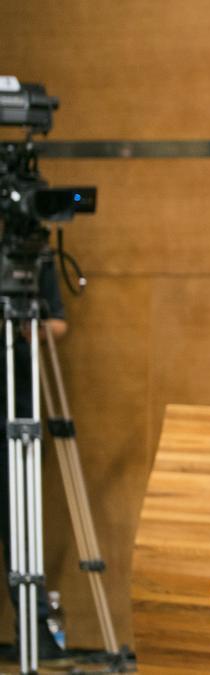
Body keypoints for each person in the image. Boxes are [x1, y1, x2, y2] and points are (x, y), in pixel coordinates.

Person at [0, 253, 69, 662]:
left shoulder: (34, 257)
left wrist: (26, 327)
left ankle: (36, 629)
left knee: (19, 522)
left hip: (17, 402)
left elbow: (57, 321)